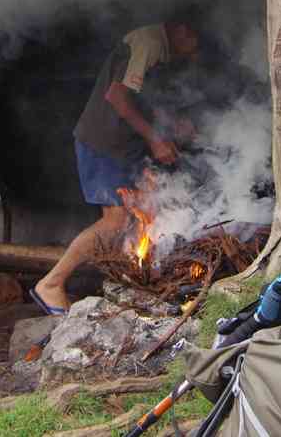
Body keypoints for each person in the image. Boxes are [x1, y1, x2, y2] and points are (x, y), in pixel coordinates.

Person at [31, 20, 199, 315]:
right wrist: (156, 139)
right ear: (184, 30)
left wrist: (171, 127)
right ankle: (50, 284)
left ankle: (128, 284)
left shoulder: (155, 50)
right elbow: (117, 97)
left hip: (122, 148)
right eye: (193, 47)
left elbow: (139, 100)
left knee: (142, 210)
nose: (190, 55)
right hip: (104, 144)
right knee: (116, 220)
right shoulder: (149, 43)